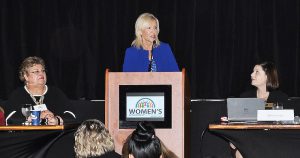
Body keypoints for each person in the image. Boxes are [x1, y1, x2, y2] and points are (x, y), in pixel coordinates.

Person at [230, 61, 288, 158]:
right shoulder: (245, 97)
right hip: (249, 139)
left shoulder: (280, 97)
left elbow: (282, 123)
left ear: (267, 77)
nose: (251, 74)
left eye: (256, 72)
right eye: (252, 71)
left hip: (270, 140)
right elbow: (239, 121)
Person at [6, 56, 69, 125]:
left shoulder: (56, 93)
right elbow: (9, 120)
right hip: (28, 135)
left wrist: (57, 120)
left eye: (43, 70)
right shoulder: (18, 95)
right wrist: (34, 118)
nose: (41, 74)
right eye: (36, 71)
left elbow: (72, 116)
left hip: (55, 135)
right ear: (26, 76)